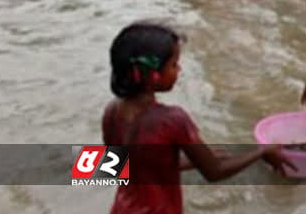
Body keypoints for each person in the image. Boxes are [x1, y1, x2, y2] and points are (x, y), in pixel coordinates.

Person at [103, 20, 293, 214]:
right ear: (153, 76)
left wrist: (191, 161)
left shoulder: (111, 111)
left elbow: (114, 169)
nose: (179, 70)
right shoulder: (172, 119)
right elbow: (215, 172)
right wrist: (262, 151)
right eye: (174, 65)